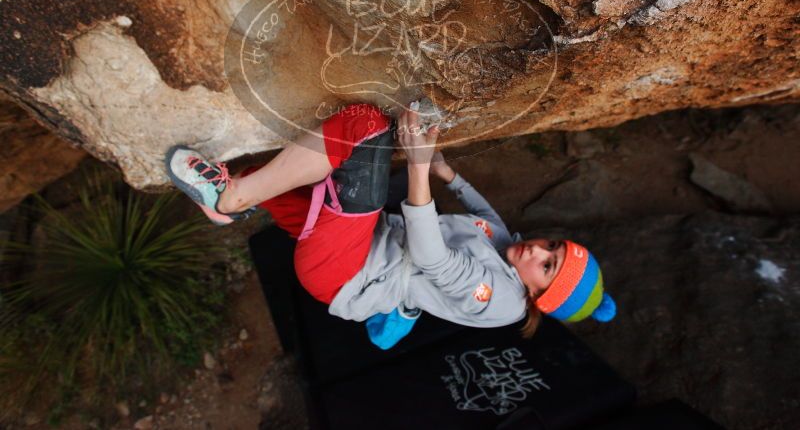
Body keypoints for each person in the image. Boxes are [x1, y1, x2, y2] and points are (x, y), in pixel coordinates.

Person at [165, 103, 616, 349]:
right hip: (368, 242)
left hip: (348, 270)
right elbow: (489, 219)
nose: (538, 251)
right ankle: (233, 200)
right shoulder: (510, 250)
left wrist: (418, 168)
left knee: (364, 128)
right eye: (552, 245)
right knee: (280, 172)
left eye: (548, 266)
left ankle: (230, 197)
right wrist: (446, 173)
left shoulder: (501, 302)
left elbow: (432, 258)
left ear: (540, 296)